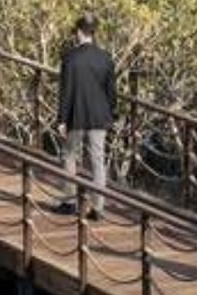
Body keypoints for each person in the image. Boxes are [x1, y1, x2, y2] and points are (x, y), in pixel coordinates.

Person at [53, 13, 116, 221]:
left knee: (69, 156)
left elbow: (66, 91)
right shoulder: (105, 58)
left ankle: (69, 201)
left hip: (76, 115)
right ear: (93, 33)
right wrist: (110, 114)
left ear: (80, 32)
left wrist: (61, 119)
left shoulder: (70, 58)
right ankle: (98, 208)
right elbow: (111, 92)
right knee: (98, 161)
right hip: (99, 116)